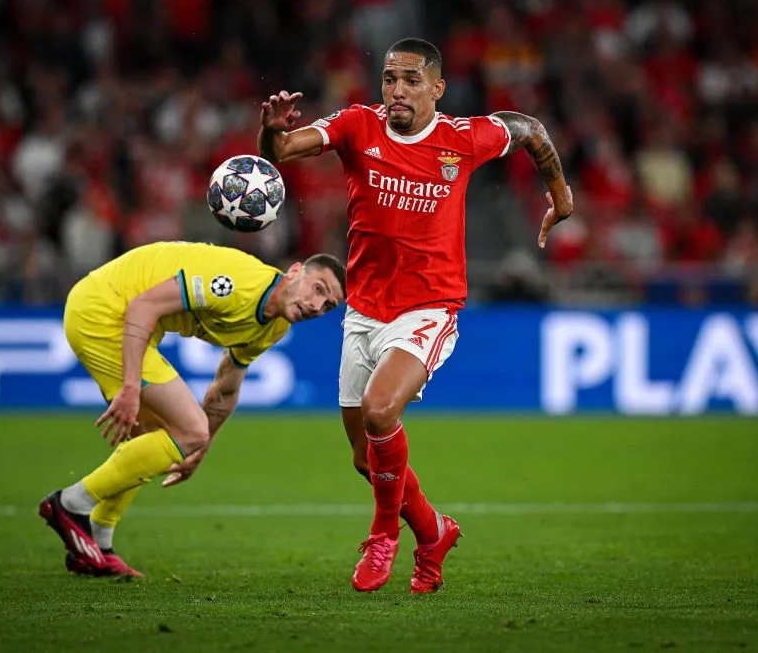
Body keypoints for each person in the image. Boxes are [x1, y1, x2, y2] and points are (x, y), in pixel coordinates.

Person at [257, 37, 574, 593]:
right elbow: (279, 152)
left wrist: (560, 195)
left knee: (381, 411)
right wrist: (271, 128)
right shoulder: (359, 125)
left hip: (428, 308)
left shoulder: (463, 138)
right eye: (388, 79)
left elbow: (529, 128)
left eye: (409, 80)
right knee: (364, 456)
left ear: (437, 88)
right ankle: (433, 532)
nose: (396, 91)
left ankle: (384, 536)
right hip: (363, 312)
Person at [38, 241, 346, 577]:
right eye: (318, 289)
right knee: (188, 428)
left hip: (121, 316)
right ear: (296, 271)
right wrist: (130, 387)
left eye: (328, 305)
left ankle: (99, 539)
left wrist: (201, 447)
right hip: (104, 311)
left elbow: (227, 384)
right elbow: (143, 306)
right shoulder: (236, 283)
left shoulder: (276, 324)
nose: (317, 306)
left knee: (159, 436)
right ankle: (71, 504)